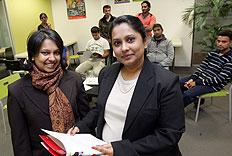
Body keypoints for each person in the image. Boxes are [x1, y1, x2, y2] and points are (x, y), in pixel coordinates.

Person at [69, 15, 185, 156]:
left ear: (145, 41)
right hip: (103, 150)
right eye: (117, 43)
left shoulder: (166, 82)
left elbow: (169, 134)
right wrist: (81, 126)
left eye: (130, 40)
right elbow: (100, 109)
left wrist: (121, 149)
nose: (124, 48)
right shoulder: (107, 73)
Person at [7, 29, 90, 156]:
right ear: (33, 56)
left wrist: (79, 129)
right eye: (45, 53)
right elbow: (20, 142)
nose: (52, 58)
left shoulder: (74, 79)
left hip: (77, 151)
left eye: (56, 53)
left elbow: (85, 117)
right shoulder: (17, 91)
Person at [180, 30, 232, 107]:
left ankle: (175, 112)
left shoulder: (230, 59)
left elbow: (219, 80)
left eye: (224, 42)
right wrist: (192, 78)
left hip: (213, 85)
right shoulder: (213, 53)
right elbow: (201, 68)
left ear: (230, 42)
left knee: (187, 94)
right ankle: (193, 99)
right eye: (218, 41)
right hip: (200, 79)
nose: (220, 44)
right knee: (176, 83)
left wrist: (196, 83)